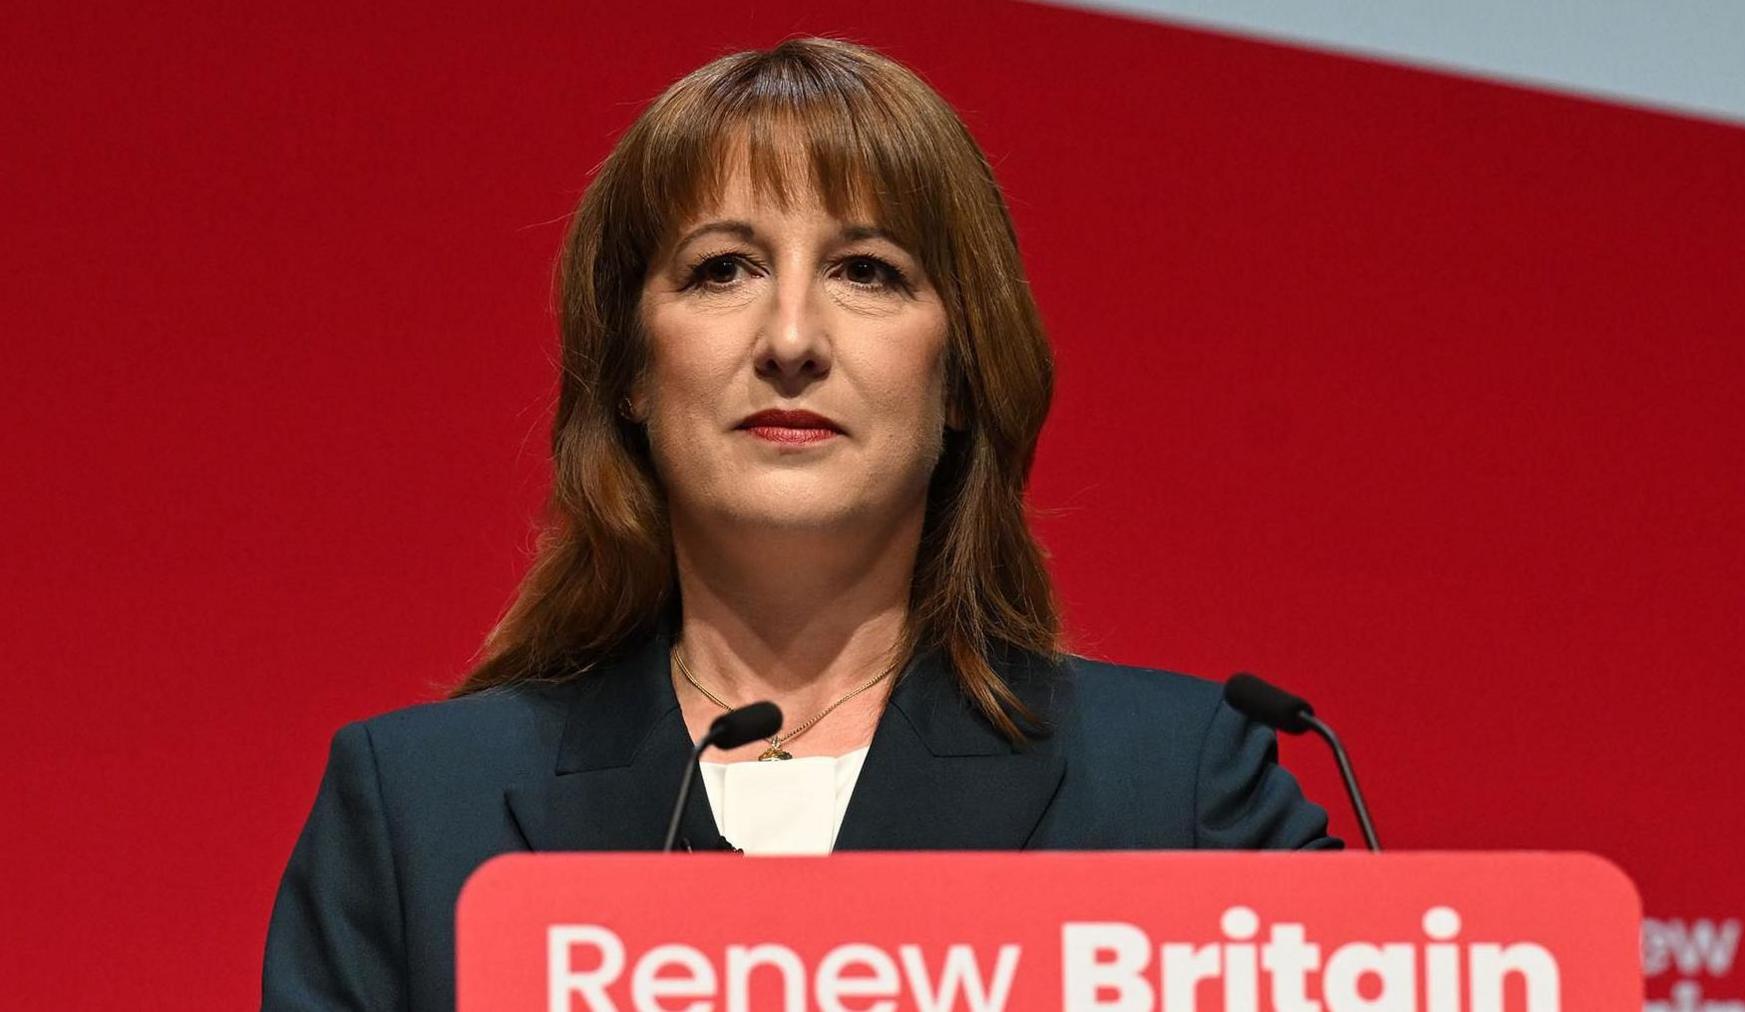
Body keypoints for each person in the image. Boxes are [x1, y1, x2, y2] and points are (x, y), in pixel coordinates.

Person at [262, 36, 1340, 1011]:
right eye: (722, 269)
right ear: (631, 368)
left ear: (960, 374)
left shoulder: (1179, 795)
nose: (791, 337)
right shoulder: (416, 815)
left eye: (867, 271)